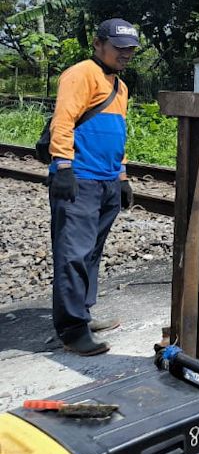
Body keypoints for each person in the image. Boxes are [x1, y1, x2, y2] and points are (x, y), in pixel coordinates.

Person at [47, 18, 140, 355]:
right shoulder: (80, 74)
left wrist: (122, 177)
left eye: (130, 49)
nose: (125, 54)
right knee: (73, 253)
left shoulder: (120, 86)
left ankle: (82, 313)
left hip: (107, 181)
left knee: (91, 252)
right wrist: (63, 166)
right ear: (99, 44)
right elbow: (63, 120)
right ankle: (72, 330)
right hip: (80, 179)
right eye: (119, 48)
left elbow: (118, 134)